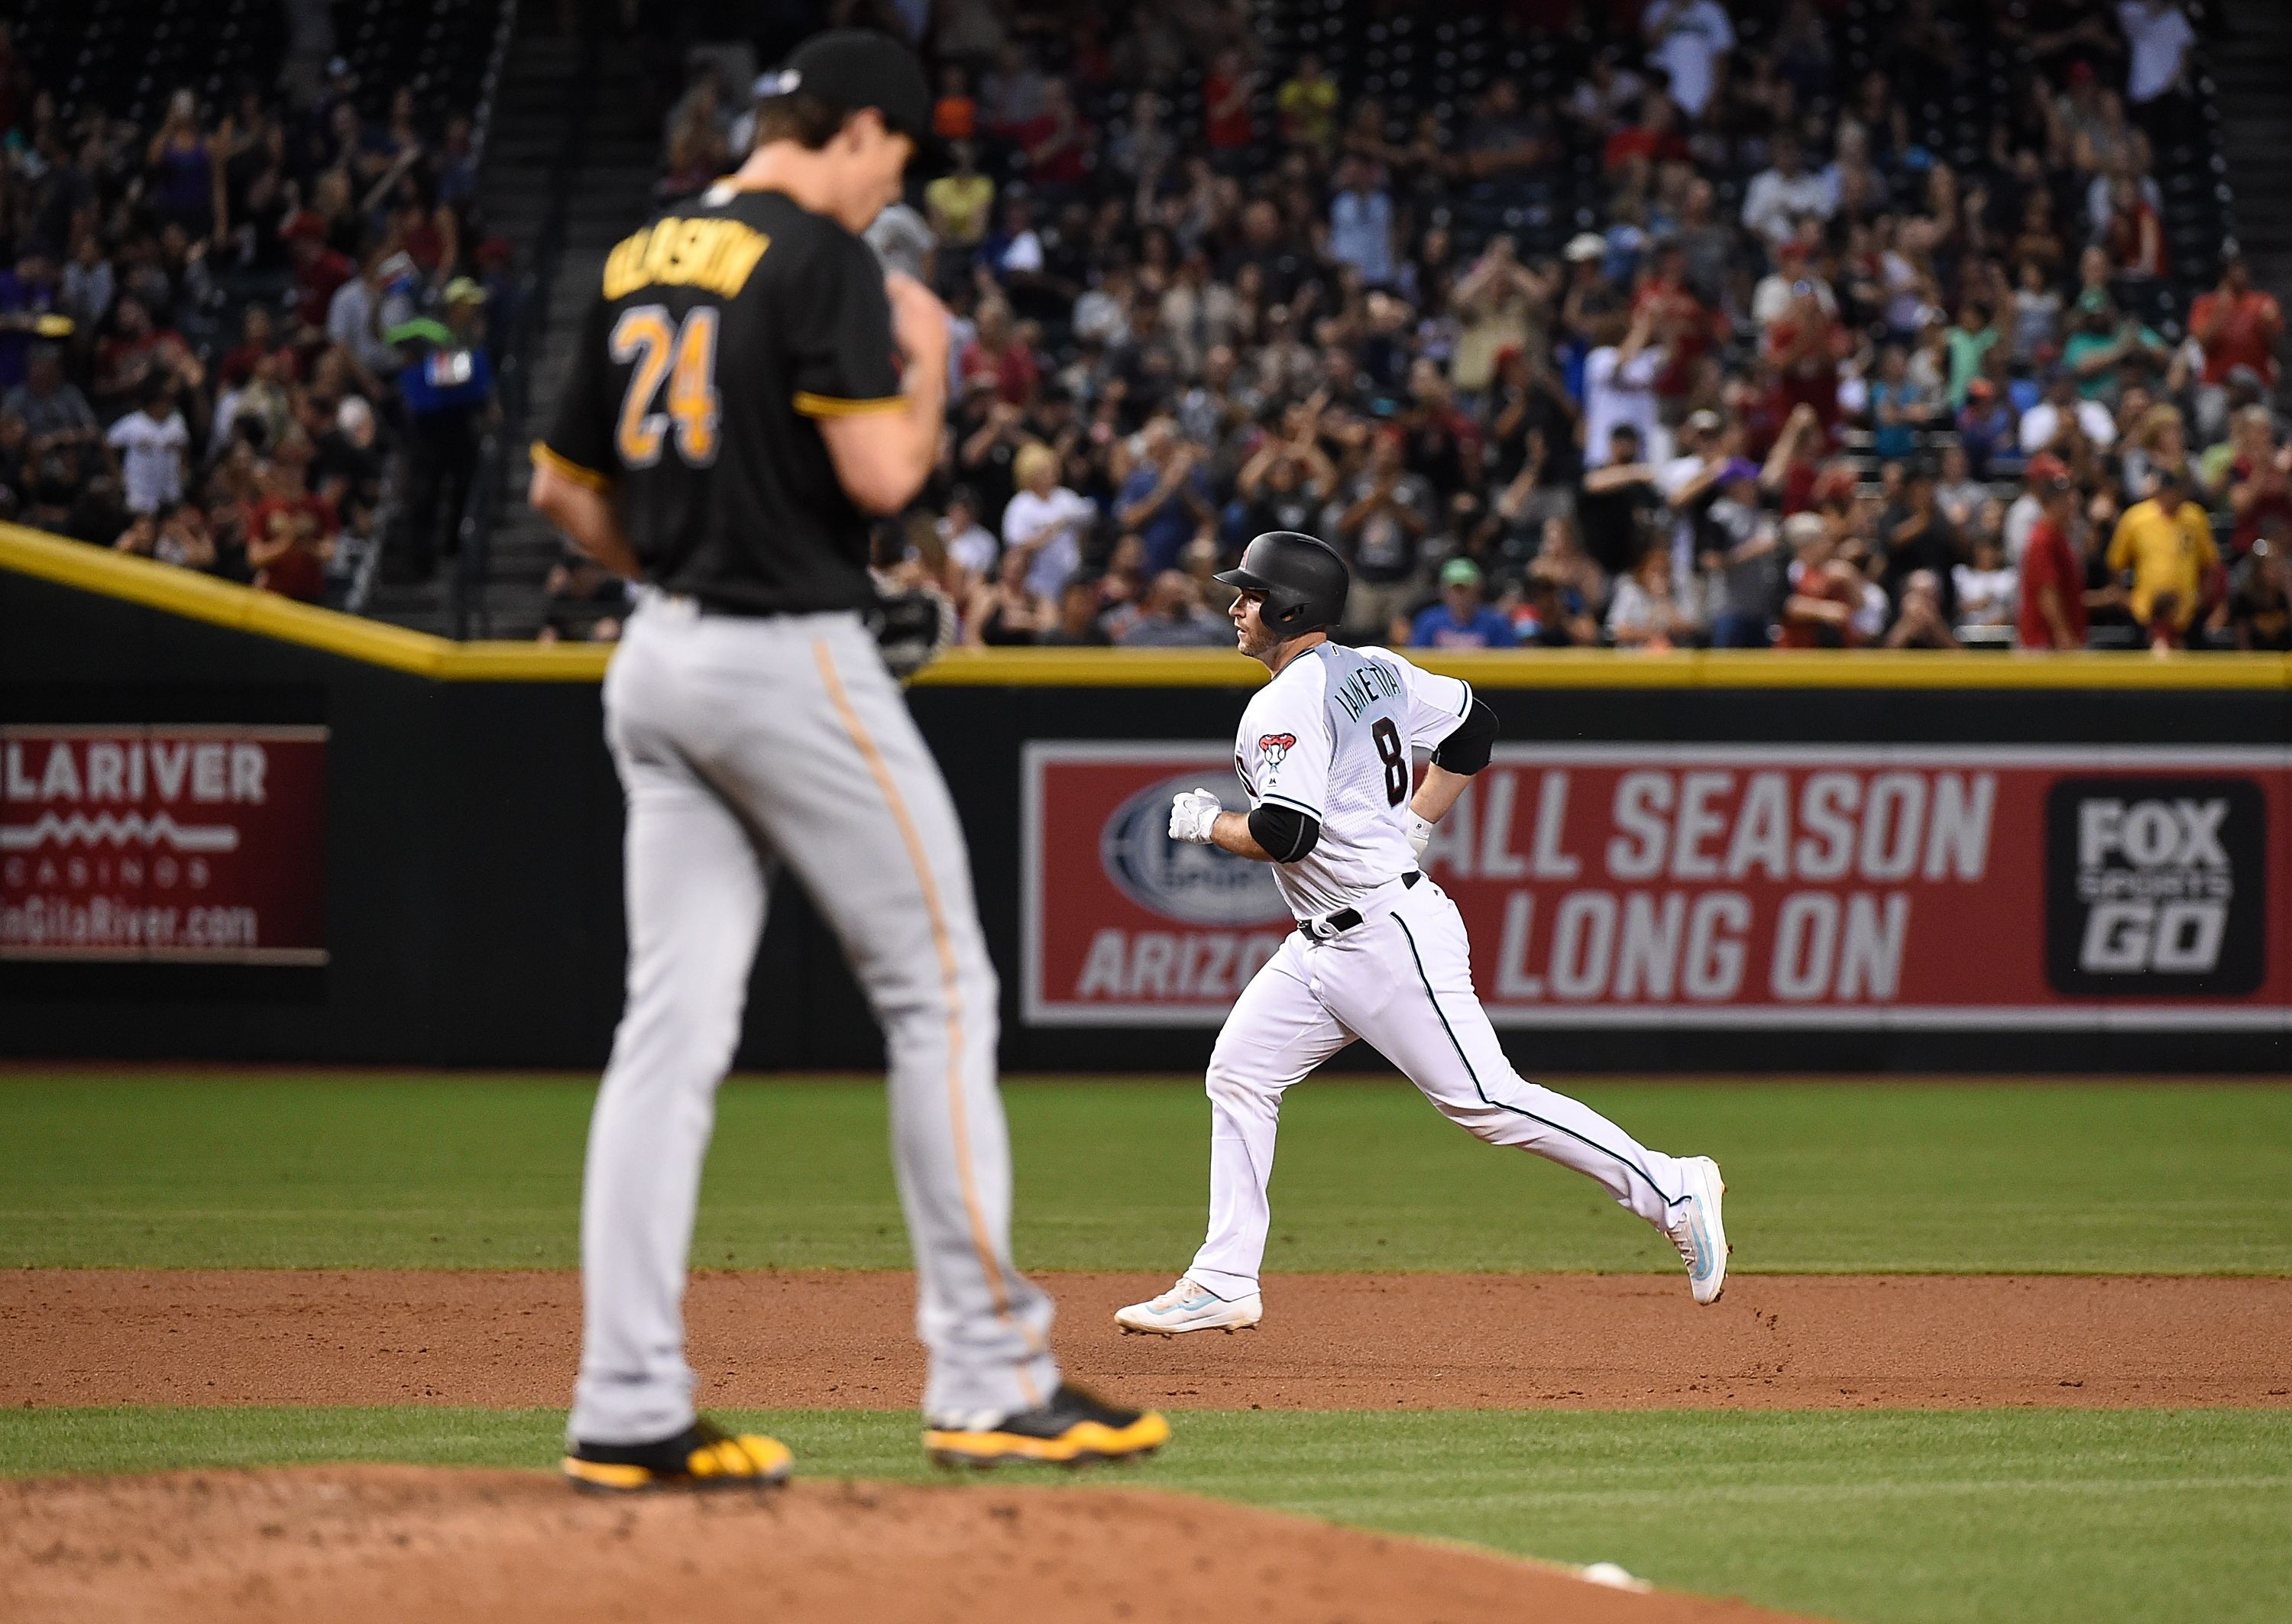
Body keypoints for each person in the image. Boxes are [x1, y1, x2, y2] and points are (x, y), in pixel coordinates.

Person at [527, 31, 1166, 1490]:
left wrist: (669, 566)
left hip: (658, 656)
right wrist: (929, 364)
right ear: (859, 129)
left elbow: (562, 487)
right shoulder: (819, 256)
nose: (900, 183)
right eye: (900, 156)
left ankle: (626, 1400)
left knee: (666, 1038)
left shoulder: (641, 254)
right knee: (939, 988)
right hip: (783, 650)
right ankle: (993, 1377)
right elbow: (883, 477)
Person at [1118, 529, 1729, 1335]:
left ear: (1291, 606)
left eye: (1252, 593)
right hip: (1325, 939)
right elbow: (1475, 725)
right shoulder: (1375, 667)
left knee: (1486, 1101)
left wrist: (1209, 823)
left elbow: (1286, 832)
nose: (1236, 605)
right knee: (1239, 1069)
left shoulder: (1283, 701)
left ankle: (1671, 1185)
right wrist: (1417, 819)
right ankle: (1225, 1276)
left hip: (1381, 931)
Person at [2106, 463, 2219, 650]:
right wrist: (2126, 599)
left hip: (2186, 612)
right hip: (2145, 612)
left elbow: (2210, 564)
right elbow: (2115, 563)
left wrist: (2201, 598)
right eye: (2168, 491)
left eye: (2177, 491)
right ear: (2159, 492)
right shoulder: (2136, 518)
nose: (2173, 496)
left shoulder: (2194, 517)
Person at [2017, 464, 2090, 650]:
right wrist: (2063, 634)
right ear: (2053, 503)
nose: (2072, 504)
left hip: (2053, 640)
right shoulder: (2044, 539)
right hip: (2043, 642)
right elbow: (2047, 592)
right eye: (2066, 500)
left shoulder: (2058, 536)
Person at [1409, 556, 1517, 649]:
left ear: (1477, 590)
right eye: (1454, 589)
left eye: (1464, 589)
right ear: (1443, 591)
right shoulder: (1429, 622)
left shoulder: (1495, 623)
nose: (1459, 596)